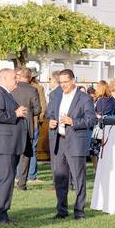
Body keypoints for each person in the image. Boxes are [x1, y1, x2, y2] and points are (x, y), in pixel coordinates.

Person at [46, 69, 95, 220]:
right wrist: (52, 121)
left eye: (66, 82)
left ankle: (79, 211)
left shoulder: (85, 98)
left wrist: (72, 121)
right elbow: (49, 113)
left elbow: (91, 120)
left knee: (78, 177)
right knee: (60, 177)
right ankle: (61, 210)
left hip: (75, 141)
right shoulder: (56, 95)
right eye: (61, 82)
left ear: (73, 81)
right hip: (58, 141)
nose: (63, 85)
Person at [0, 68, 29, 225]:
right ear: (4, 78)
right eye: (13, 77)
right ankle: (1, 215)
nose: (16, 80)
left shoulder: (6, 94)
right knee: (5, 179)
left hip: (7, 144)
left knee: (1, 179)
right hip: (4, 145)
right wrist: (16, 114)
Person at [12, 69, 42, 190]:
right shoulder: (32, 90)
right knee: (25, 156)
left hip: (12, 125)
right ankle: (22, 183)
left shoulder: (12, 88)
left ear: (19, 77)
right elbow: (37, 110)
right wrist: (28, 112)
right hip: (27, 125)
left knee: (12, 154)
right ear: (29, 78)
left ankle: (10, 179)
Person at [90, 80, 115, 165]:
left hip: (98, 127)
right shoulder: (113, 99)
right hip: (109, 127)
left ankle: (97, 170)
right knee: (104, 151)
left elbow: (95, 112)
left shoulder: (100, 99)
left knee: (94, 151)